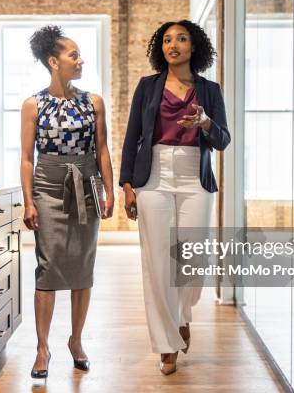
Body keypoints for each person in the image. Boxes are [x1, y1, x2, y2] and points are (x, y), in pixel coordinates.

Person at [119, 20, 230, 375]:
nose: (174, 45)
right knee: (157, 263)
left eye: (181, 39)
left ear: (194, 47)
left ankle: (183, 316)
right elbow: (132, 135)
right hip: (153, 176)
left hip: (193, 175)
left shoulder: (209, 90)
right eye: (167, 40)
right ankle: (168, 344)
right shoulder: (147, 87)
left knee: (191, 260)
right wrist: (126, 184)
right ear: (160, 48)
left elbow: (223, 139)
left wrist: (206, 123)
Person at [20, 25, 114, 379]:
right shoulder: (33, 104)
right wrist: (29, 201)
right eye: (73, 55)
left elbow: (101, 148)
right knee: (48, 265)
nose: (80, 60)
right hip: (47, 186)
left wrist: (108, 189)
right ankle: (42, 348)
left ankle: (76, 341)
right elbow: (27, 158)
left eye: (79, 54)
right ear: (53, 62)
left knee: (82, 264)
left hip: (86, 184)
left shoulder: (93, 101)